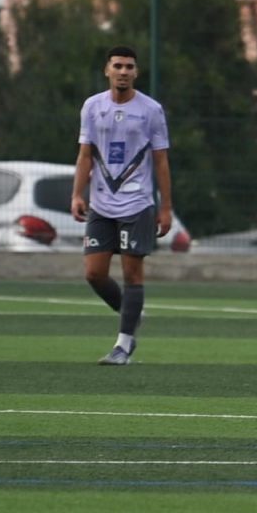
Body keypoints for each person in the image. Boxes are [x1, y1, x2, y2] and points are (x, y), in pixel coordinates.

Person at [71, 46, 173, 365]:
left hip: (137, 203)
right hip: (101, 204)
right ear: (107, 70)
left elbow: (161, 161)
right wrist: (77, 194)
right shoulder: (92, 106)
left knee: (132, 274)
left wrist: (166, 207)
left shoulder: (151, 110)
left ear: (136, 72)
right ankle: (132, 312)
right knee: (94, 273)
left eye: (129, 66)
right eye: (118, 66)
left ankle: (124, 345)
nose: (124, 71)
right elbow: (85, 155)